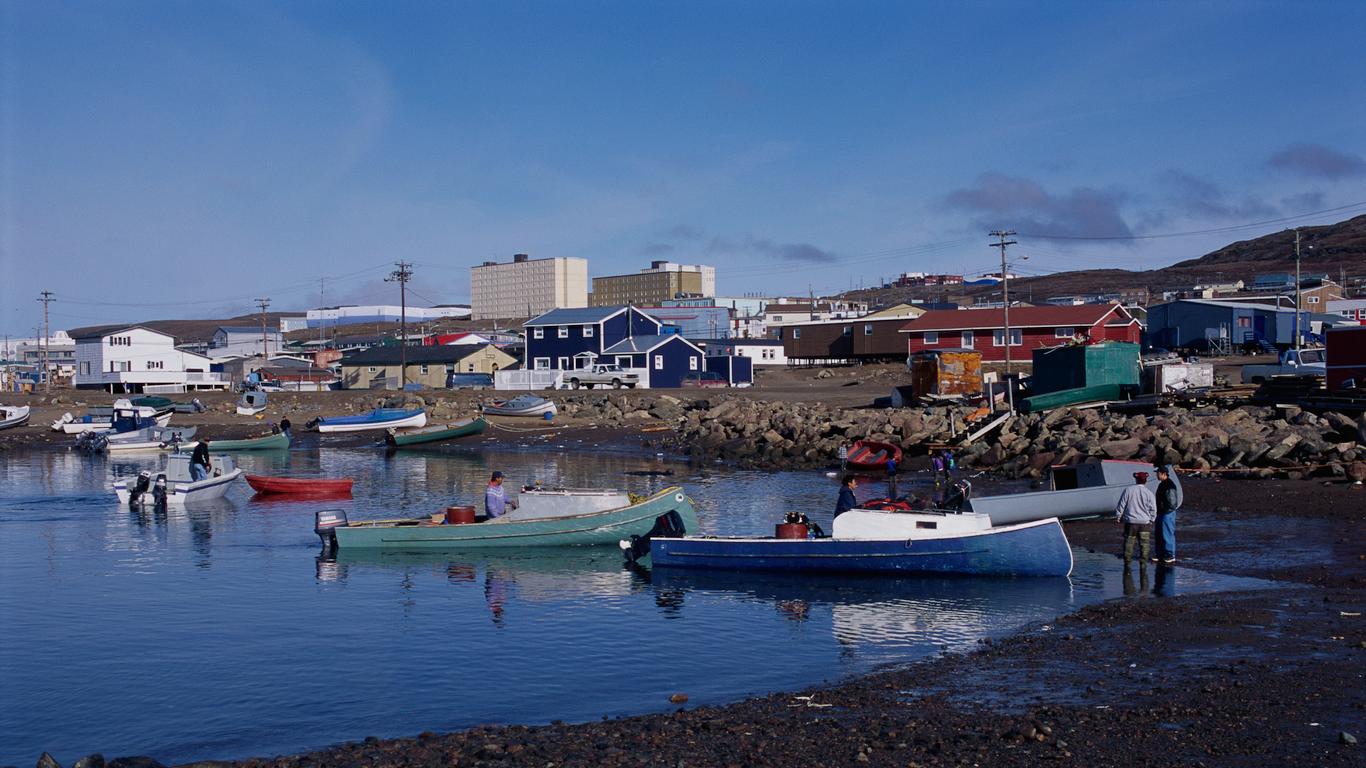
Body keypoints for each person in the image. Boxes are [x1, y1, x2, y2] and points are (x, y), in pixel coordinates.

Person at [1115, 471, 1158, 564]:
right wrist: (1152, 519)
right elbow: (1153, 508)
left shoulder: (1128, 490)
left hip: (1131, 522)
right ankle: (1143, 563)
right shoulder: (1149, 493)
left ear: (1136, 479)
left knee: (1129, 543)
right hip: (1145, 523)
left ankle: (1127, 563)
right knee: (1144, 544)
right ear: (1146, 481)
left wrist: (1118, 516)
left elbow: (1121, 504)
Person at [1153, 464, 1182, 565]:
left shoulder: (1169, 485)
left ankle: (1170, 554)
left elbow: (1172, 503)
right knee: (1159, 534)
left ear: (1163, 474)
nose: (1156, 475)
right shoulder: (1163, 484)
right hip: (1161, 512)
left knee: (1167, 534)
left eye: (1158, 473)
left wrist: (1165, 510)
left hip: (1167, 513)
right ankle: (1160, 553)